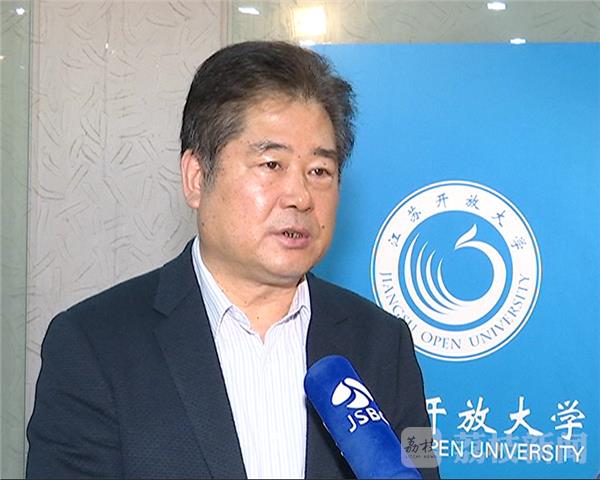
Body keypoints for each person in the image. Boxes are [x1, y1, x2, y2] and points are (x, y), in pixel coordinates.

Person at [27, 41, 439, 479]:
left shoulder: (384, 344)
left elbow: (421, 469)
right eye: (272, 164)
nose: (300, 196)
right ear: (196, 178)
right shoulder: (93, 345)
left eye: (319, 171)